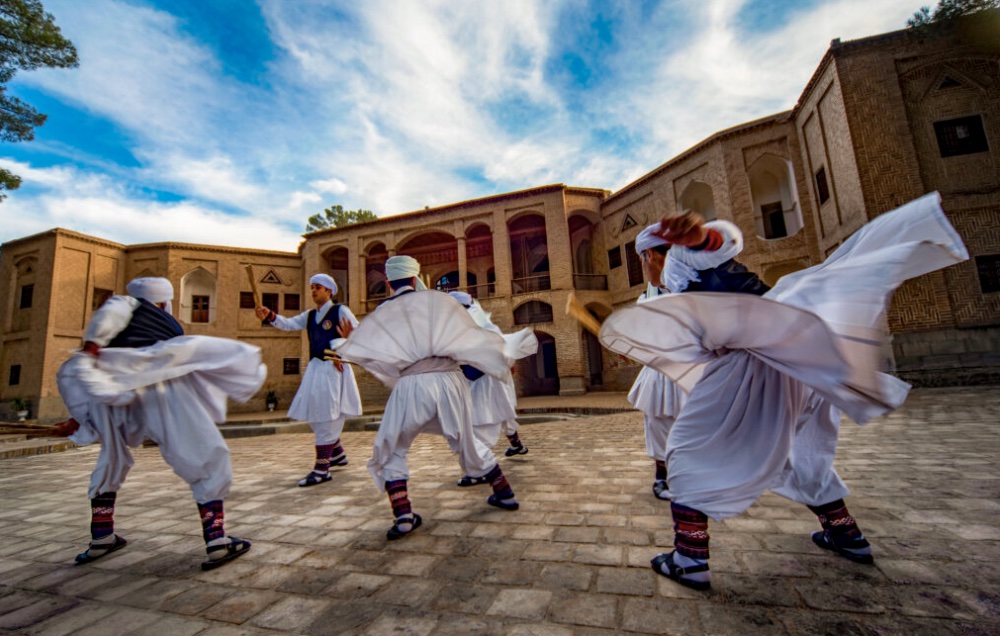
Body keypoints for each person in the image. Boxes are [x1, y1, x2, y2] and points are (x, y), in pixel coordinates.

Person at [600, 193, 968, 591]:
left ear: (650, 256)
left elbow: (719, 244)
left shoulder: (678, 263)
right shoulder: (677, 285)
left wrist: (698, 239)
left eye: (642, 260)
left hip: (754, 369)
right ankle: (846, 534)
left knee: (689, 449)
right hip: (795, 366)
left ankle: (690, 559)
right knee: (803, 455)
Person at [54, 277, 265, 570]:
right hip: (158, 383)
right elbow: (112, 311)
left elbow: (91, 368)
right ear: (164, 302)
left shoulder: (137, 323)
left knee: (111, 458)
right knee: (204, 452)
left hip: (113, 384)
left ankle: (102, 535)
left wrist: (78, 417)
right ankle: (216, 539)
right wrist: (92, 344)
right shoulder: (133, 305)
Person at [334, 256, 520, 540]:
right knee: (465, 440)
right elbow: (468, 336)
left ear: (387, 282)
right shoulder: (437, 302)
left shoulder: (383, 312)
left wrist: (350, 341)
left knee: (393, 445)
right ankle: (504, 492)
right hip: (450, 380)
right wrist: (498, 359)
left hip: (412, 384)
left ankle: (404, 515)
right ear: (414, 278)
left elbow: (371, 352)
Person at [255, 274, 362, 487]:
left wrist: (344, 351)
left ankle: (322, 469)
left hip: (333, 368)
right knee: (315, 414)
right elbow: (287, 324)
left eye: (318, 287)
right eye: (312, 287)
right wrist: (270, 315)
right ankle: (337, 453)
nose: (314, 291)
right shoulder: (310, 315)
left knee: (327, 414)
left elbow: (359, 335)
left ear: (329, 291)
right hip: (315, 369)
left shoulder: (341, 310)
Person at [447, 291, 537, 487]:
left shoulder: (466, 324)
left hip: (481, 382)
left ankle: (482, 473)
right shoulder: (479, 323)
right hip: (491, 379)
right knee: (501, 414)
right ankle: (516, 446)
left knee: (479, 425)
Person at [627, 225, 689, 500]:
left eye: (642, 259)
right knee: (659, 424)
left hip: (689, 372)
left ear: (650, 256)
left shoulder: (692, 286)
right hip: (661, 374)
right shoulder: (650, 294)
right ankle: (662, 477)